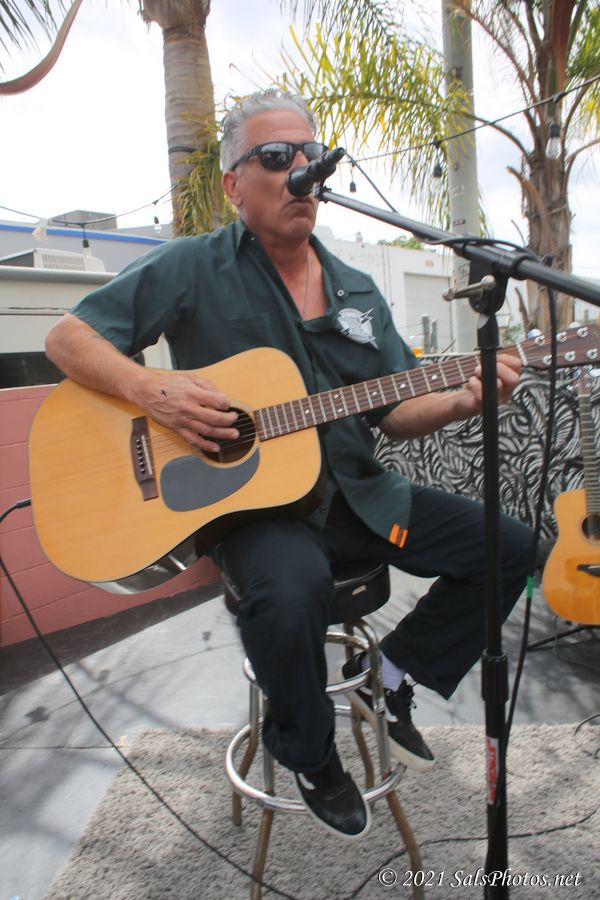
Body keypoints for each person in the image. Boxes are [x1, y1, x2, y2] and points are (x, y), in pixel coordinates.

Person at [45, 88, 532, 841]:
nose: (300, 169)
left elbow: (393, 411)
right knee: (289, 592)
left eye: (311, 156)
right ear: (234, 184)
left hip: (360, 495)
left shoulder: (358, 291)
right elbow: (67, 339)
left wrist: (464, 401)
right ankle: (309, 751)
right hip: (258, 511)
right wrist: (151, 389)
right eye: (276, 157)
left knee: (512, 544)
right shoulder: (193, 267)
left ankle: (390, 675)